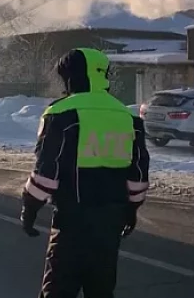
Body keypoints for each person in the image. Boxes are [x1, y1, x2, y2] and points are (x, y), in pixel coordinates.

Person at [20, 48, 150, 298]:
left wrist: (30, 209)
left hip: (72, 224)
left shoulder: (61, 113)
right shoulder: (128, 117)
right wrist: (131, 211)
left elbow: (46, 173)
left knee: (57, 291)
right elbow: (138, 174)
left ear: (72, 77)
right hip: (110, 224)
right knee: (101, 290)